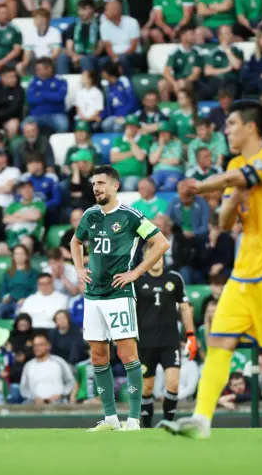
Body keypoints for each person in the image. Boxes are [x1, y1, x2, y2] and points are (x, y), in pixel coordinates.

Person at [160, 101, 262, 439]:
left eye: (231, 123)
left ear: (250, 127)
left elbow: (241, 177)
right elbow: (226, 221)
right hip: (244, 273)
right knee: (218, 339)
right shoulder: (234, 163)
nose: (226, 129)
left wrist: (200, 186)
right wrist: (231, 200)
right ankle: (201, 420)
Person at [71, 165, 169, 431]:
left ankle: (134, 420)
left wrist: (135, 272)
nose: (96, 188)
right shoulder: (90, 215)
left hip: (119, 294)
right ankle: (111, 418)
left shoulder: (130, 216)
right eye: (94, 184)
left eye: (101, 183)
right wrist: (79, 268)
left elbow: (161, 243)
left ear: (115, 186)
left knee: (127, 354)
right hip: (93, 295)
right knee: (98, 355)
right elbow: (75, 242)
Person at [135, 247, 196, 427]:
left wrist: (191, 335)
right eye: (153, 255)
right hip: (145, 342)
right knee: (147, 387)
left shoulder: (174, 278)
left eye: (160, 255)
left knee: (173, 383)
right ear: (145, 257)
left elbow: (184, 308)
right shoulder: (137, 279)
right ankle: (146, 426)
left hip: (169, 341)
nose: (158, 258)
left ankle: (167, 423)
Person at [19, 332, 76, 404]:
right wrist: (34, 398)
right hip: (35, 404)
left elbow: (71, 382)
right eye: (35, 345)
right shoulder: (29, 365)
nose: (36, 348)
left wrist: (61, 395)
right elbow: (24, 388)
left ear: (48, 346)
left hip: (58, 402)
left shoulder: (59, 362)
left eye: (40, 345)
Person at [99, 0, 144, 77]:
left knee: (124, 59)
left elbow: (133, 46)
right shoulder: (104, 25)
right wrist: (116, 58)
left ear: (117, 11)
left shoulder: (132, 22)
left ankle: (128, 81)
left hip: (133, 55)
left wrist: (120, 58)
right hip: (114, 56)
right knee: (101, 61)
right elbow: (108, 47)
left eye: (107, 10)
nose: (105, 13)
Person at [57, 0, 102, 74]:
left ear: (92, 9)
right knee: (62, 57)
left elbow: (99, 50)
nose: (81, 12)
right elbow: (69, 48)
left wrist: (82, 58)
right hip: (76, 56)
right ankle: (63, 82)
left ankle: (88, 83)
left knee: (85, 60)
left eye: (84, 9)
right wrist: (75, 56)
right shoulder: (73, 27)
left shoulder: (100, 26)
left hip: (93, 57)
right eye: (79, 10)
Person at [159, 26, 203, 102]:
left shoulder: (197, 52)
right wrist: (174, 83)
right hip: (176, 80)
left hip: (191, 81)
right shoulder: (175, 52)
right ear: (183, 36)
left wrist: (183, 82)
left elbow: (196, 73)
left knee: (182, 83)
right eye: (191, 34)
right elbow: (166, 72)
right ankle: (166, 107)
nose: (194, 37)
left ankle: (184, 105)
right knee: (162, 84)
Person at [25, 58, 69, 134]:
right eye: (37, 69)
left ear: (49, 69)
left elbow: (59, 97)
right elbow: (30, 99)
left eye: (39, 69)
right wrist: (51, 96)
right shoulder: (33, 81)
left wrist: (41, 94)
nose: (37, 72)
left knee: (63, 125)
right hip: (36, 115)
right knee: (24, 126)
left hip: (56, 114)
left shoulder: (61, 80)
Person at [17, 9, 62, 76]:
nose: (34, 21)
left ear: (44, 19)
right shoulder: (29, 33)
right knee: (19, 66)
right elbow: (27, 54)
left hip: (49, 60)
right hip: (35, 60)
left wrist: (44, 62)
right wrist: (23, 64)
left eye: (36, 18)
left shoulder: (54, 32)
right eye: (34, 18)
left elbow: (55, 53)